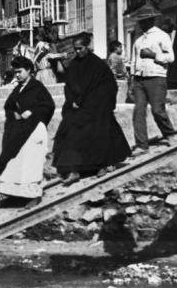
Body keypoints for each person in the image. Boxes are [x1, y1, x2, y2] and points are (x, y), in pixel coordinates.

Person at [52, 35, 131, 183]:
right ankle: (74, 170)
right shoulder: (74, 64)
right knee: (71, 132)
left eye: (80, 49)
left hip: (96, 106)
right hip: (78, 107)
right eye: (75, 49)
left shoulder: (98, 65)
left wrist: (90, 101)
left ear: (87, 47)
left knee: (99, 130)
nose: (78, 52)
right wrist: (72, 101)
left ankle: (101, 165)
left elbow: (108, 86)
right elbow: (68, 85)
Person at [0, 55, 55, 201]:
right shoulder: (18, 89)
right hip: (19, 131)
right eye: (15, 72)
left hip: (34, 131)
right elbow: (8, 106)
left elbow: (48, 106)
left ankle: (33, 195)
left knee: (30, 163)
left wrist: (33, 113)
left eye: (20, 71)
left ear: (28, 71)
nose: (17, 75)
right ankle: (14, 193)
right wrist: (14, 114)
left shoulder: (37, 88)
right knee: (16, 161)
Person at [131, 4, 177, 151]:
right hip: (139, 79)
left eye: (143, 21)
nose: (141, 24)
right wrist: (132, 81)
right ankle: (141, 144)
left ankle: (169, 134)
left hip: (156, 77)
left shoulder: (161, 36)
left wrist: (153, 55)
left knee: (157, 109)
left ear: (150, 21)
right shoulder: (138, 41)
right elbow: (133, 61)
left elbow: (171, 57)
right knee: (138, 111)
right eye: (140, 21)